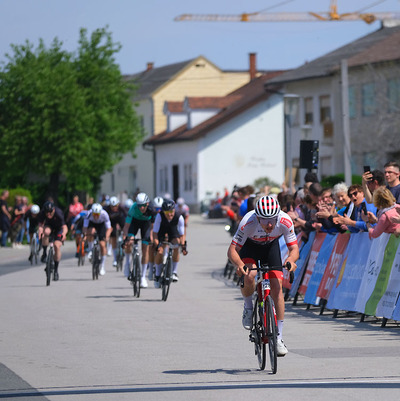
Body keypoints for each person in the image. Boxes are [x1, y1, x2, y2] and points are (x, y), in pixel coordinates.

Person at [227, 196, 299, 356]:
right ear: (257, 217)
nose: (270, 224)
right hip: (250, 247)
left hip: (271, 247)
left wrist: (290, 260)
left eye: (273, 219)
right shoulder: (248, 222)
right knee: (250, 274)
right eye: (265, 220)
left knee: (277, 287)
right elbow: (232, 250)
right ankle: (248, 307)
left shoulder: (285, 220)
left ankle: (279, 337)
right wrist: (239, 265)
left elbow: (294, 249)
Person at [122, 193, 157, 288]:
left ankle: (142, 277)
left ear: (147, 203)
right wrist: (125, 238)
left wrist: (151, 238)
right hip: (134, 222)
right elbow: (126, 226)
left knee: (146, 247)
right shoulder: (133, 209)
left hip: (146, 224)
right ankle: (127, 263)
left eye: (143, 205)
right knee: (129, 241)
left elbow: (153, 228)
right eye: (139, 206)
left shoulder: (152, 209)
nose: (141, 208)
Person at [152, 199, 188, 287]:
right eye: (167, 212)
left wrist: (183, 246)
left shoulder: (179, 217)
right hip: (161, 232)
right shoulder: (159, 216)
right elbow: (155, 233)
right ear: (163, 211)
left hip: (172, 231)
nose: (169, 214)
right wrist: (157, 245)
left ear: (174, 210)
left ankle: (174, 272)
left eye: (171, 211)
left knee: (177, 244)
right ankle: (157, 274)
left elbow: (182, 234)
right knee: (159, 251)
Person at [37, 201, 68, 281]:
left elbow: (64, 226)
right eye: (47, 212)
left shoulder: (59, 213)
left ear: (53, 210)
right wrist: (40, 231)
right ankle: (44, 253)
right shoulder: (42, 213)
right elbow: (40, 225)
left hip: (58, 229)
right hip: (49, 226)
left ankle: (56, 271)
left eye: (50, 212)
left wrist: (64, 234)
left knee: (56, 246)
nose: (48, 214)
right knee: (45, 232)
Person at [83, 203, 112, 276]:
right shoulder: (89, 214)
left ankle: (102, 266)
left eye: (97, 214)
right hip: (92, 224)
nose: (96, 216)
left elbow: (109, 228)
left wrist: (107, 237)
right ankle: (90, 250)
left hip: (101, 225)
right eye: (94, 214)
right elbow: (85, 227)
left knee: (102, 245)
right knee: (91, 231)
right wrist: (85, 236)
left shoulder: (104, 214)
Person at [104, 196, 127, 268]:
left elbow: (126, 217)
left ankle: (123, 245)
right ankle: (115, 258)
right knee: (113, 237)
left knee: (125, 230)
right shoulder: (106, 209)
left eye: (116, 206)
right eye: (112, 206)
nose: (114, 208)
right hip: (112, 222)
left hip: (120, 219)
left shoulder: (121, 208)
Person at [147, 196, 163, 280]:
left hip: (163, 232)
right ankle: (150, 269)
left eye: (160, 208)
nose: (158, 211)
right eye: (156, 209)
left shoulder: (164, 213)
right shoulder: (152, 214)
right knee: (151, 246)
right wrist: (151, 239)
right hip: (154, 231)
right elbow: (152, 228)